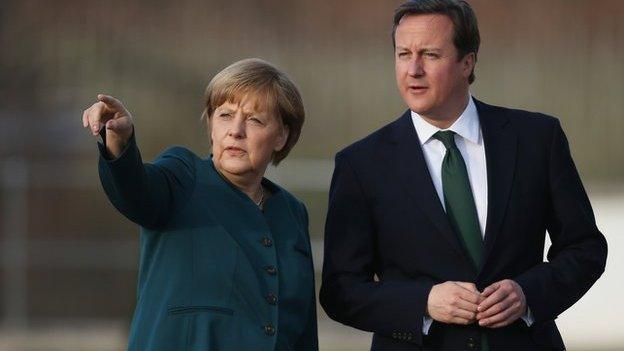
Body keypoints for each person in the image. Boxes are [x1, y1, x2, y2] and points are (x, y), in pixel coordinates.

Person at [319, 1, 607, 350]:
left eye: (430, 55)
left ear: (467, 62)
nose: (413, 69)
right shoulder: (361, 164)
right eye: (403, 54)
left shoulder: (537, 139)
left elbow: (585, 248)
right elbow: (340, 289)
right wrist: (424, 302)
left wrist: (527, 294)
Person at [82, 58, 318, 350]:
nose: (236, 130)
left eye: (254, 120)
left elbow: (302, 326)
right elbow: (136, 192)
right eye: (225, 115)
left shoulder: (293, 212)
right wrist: (119, 141)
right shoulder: (183, 176)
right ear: (211, 124)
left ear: (281, 135)